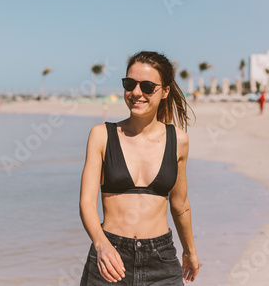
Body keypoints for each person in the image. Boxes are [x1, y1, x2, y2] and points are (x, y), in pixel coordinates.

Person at [79, 51, 200, 285]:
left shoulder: (179, 141)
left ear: (165, 91)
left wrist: (190, 251)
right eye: (129, 84)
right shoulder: (101, 136)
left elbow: (180, 204)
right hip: (110, 260)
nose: (136, 92)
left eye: (147, 86)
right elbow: (86, 202)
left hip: (161, 259)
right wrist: (101, 245)